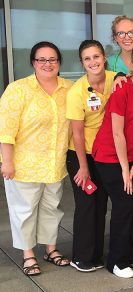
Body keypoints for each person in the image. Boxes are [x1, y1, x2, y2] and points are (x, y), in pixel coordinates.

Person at [0, 41, 73, 276]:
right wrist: (7, 161)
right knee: (25, 210)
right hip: (24, 165)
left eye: (52, 59)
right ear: (33, 62)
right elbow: (5, 129)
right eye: (41, 59)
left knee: (52, 208)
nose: (47, 64)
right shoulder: (18, 89)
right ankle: (28, 254)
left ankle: (51, 250)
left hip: (55, 164)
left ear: (59, 62)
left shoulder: (69, 88)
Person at [92, 44, 133, 278]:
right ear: (132, 66)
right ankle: (116, 261)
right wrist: (124, 169)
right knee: (123, 206)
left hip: (131, 157)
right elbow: (117, 133)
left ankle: (132, 256)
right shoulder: (121, 91)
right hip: (110, 157)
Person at [66, 40, 116, 272]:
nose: (93, 62)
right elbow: (76, 133)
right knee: (87, 204)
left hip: (105, 153)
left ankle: (96, 254)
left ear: (104, 57)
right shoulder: (77, 91)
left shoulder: (115, 78)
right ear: (82, 63)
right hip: (81, 154)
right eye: (87, 59)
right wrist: (83, 168)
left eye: (96, 56)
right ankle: (82, 257)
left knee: (100, 205)